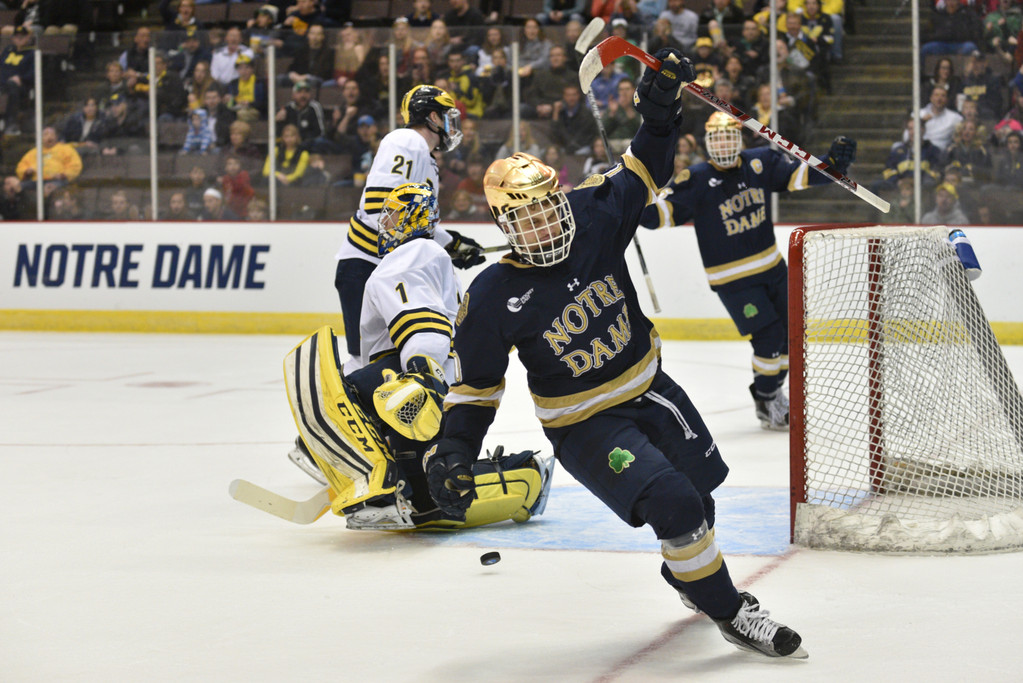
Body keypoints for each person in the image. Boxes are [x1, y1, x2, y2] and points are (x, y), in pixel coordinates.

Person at [427, 47, 807, 659]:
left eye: (549, 207)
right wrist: (453, 448)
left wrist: (660, 114)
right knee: (675, 502)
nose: (547, 226)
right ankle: (732, 611)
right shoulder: (494, 294)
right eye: (528, 219)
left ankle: (689, 580)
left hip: (651, 387)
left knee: (701, 499)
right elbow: (476, 388)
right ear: (504, 226)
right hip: (584, 424)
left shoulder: (593, 212)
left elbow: (647, 166)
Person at [286, 182, 555, 530]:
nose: (385, 223)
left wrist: (419, 370)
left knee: (343, 395)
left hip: (412, 390)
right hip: (434, 397)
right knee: (429, 502)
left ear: (413, 216)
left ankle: (375, 482)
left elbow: (420, 321)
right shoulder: (428, 254)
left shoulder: (410, 254)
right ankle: (526, 477)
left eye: (394, 214)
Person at [639, 112, 857, 430]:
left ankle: (770, 391)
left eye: (730, 137)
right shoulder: (696, 179)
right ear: (707, 143)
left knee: (789, 336)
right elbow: (658, 217)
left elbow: (802, 176)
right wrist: (634, 197)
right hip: (733, 281)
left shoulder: (760, 162)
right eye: (717, 138)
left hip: (773, 268)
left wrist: (832, 162)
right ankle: (767, 398)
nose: (724, 144)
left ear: (739, 140)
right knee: (768, 337)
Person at [332, 84, 484, 359]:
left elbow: (410, 219)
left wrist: (452, 244)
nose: (451, 123)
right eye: (446, 115)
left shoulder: (426, 158)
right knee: (365, 360)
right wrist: (444, 245)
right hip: (367, 265)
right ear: (433, 117)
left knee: (390, 359)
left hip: (385, 267)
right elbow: (382, 208)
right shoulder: (406, 140)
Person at [16, 126, 83, 196]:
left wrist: (63, 175)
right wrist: (26, 172)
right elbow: (21, 166)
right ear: (41, 138)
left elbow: (75, 165)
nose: (49, 137)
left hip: (57, 180)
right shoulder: (33, 152)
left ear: (56, 137)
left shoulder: (66, 149)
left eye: (52, 134)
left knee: (50, 188)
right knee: (17, 187)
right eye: (46, 134)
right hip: (37, 181)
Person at [0, 25, 34, 136]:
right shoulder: (8, 50)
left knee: (12, 85)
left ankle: (11, 123)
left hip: (21, 86)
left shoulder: (32, 53)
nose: (19, 39)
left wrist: (21, 78)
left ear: (28, 38)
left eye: (22, 36)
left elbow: (33, 73)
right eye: (17, 36)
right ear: (13, 38)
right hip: (3, 83)